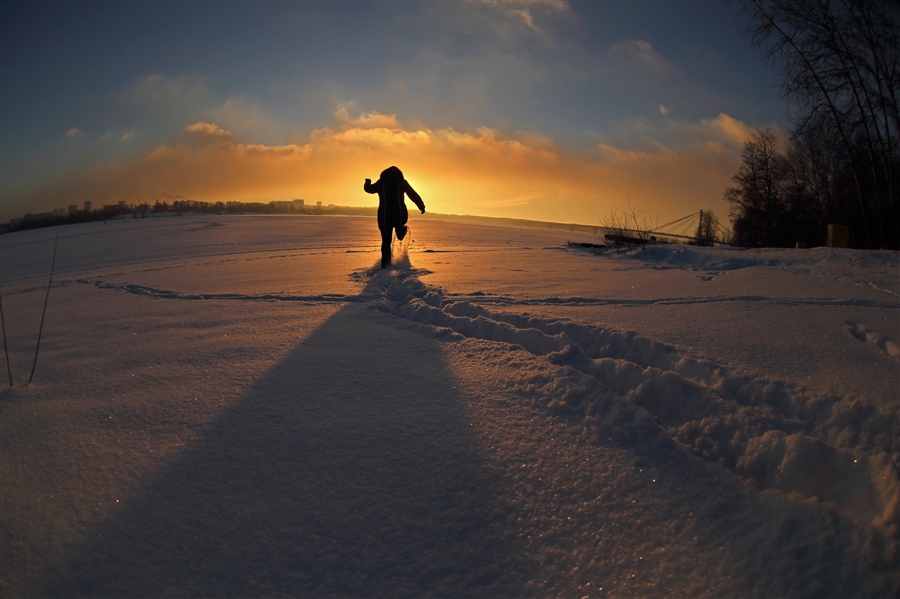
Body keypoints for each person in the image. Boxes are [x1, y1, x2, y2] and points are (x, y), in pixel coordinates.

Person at [364, 166, 425, 268]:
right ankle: (401, 231)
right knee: (396, 234)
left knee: (386, 242)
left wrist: (367, 183)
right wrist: (421, 205)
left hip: (385, 216)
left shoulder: (382, 183)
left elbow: (369, 189)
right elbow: (412, 194)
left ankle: (385, 264)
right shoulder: (401, 183)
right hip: (398, 214)